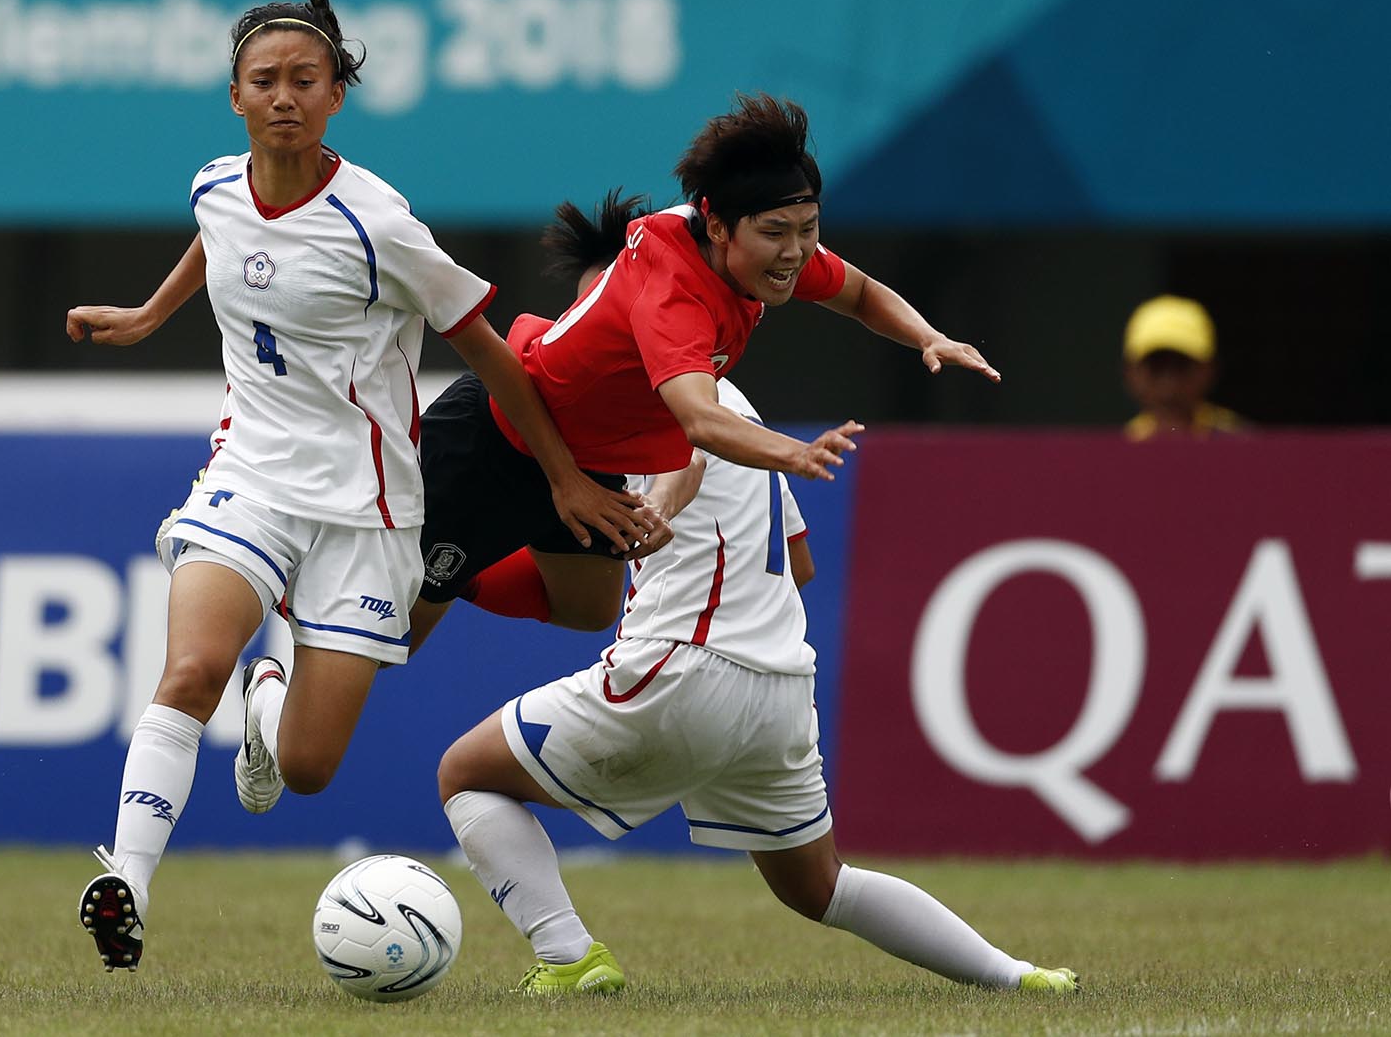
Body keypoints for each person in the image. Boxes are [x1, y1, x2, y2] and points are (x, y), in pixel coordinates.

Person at [65, 0, 654, 974]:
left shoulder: (379, 223)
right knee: (187, 668)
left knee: (305, 766)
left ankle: (268, 706)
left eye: (307, 79)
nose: (285, 96)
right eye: (266, 82)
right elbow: (222, 233)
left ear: (337, 93)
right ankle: (127, 880)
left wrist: (564, 478)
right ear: (235, 96)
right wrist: (145, 316)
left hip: (370, 512)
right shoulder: (214, 183)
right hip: (246, 477)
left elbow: (496, 358)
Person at [434, 198, 1076, 994]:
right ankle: (1018, 979)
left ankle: (569, 960)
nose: (597, 319)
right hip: (778, 687)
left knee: (466, 774)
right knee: (822, 886)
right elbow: (798, 563)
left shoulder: (647, 396)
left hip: (684, 665)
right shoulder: (730, 400)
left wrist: (657, 516)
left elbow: (684, 455)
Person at [409, 93, 1002, 656]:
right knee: (386, 646)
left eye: (809, 228)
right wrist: (793, 455)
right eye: (776, 233)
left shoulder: (756, 245)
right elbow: (698, 421)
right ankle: (432, 562)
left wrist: (928, 335)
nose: (795, 251)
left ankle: (459, 568)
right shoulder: (676, 296)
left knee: (587, 610)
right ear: (718, 226)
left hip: (586, 457)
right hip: (497, 436)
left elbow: (861, 292)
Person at [1122, 295, 1244, 440]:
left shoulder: (1241, 443)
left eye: (1182, 365)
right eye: (1156, 365)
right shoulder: (1119, 450)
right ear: (1131, 371)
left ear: (1209, 369)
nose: (1168, 382)